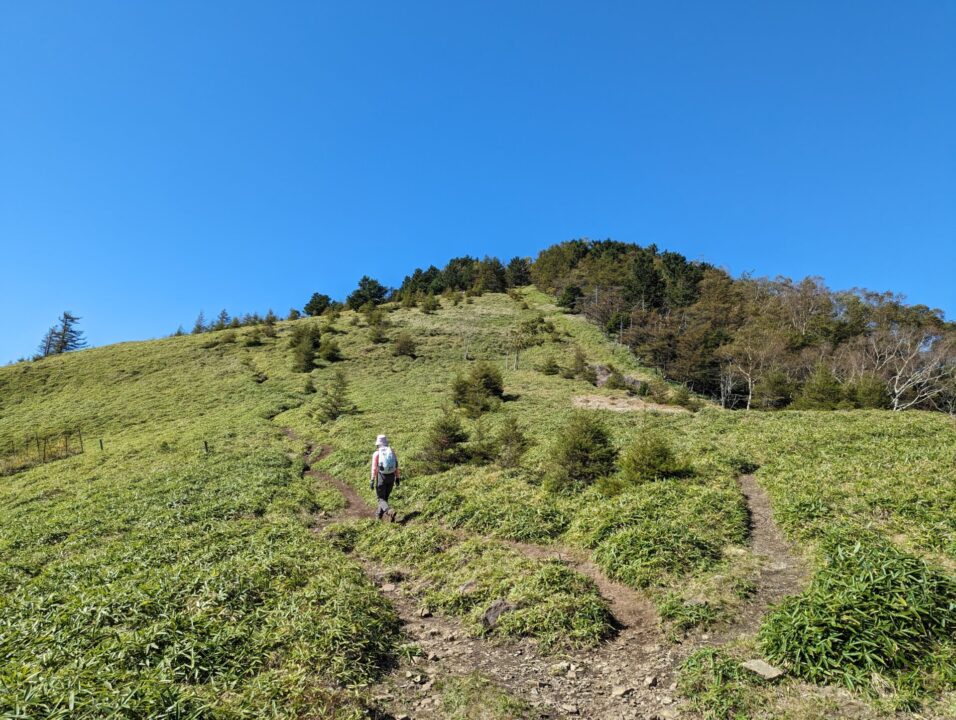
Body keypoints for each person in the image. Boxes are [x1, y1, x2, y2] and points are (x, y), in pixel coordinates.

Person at [370, 434, 400, 521]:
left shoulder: (376, 453)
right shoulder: (392, 451)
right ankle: (378, 517)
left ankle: (389, 511)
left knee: (380, 499)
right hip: (391, 477)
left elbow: (374, 468)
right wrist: (397, 478)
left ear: (378, 444)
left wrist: (372, 480)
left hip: (381, 477)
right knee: (385, 498)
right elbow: (396, 465)